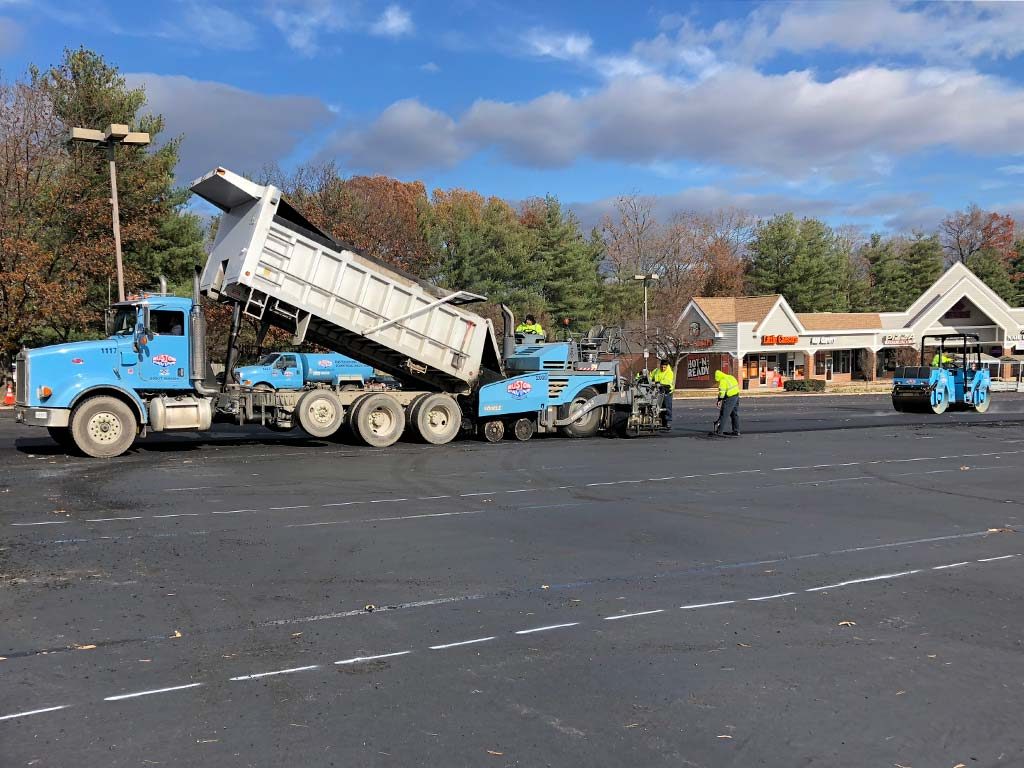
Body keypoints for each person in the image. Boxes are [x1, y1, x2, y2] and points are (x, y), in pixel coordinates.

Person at [714, 369, 741, 436]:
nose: (718, 381)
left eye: (718, 380)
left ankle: (719, 431)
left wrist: (719, 400)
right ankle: (736, 431)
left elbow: (722, 393)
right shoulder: (730, 377)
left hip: (730, 398)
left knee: (724, 414)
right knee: (734, 414)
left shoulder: (723, 381)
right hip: (736, 396)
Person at [650, 358, 675, 429]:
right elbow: (651, 377)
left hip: (666, 391)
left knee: (667, 407)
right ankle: (661, 421)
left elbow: (667, 381)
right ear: (660, 365)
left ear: (667, 366)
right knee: (658, 407)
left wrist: (659, 383)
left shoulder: (669, 372)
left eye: (664, 367)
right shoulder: (656, 371)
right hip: (657, 391)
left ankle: (668, 422)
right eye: (662, 367)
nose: (663, 368)